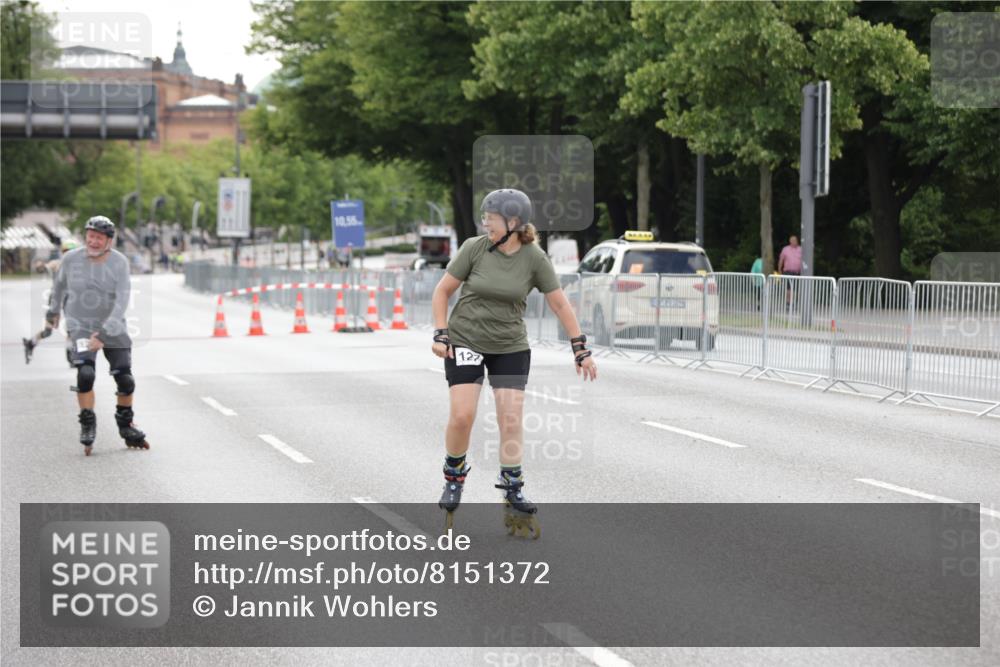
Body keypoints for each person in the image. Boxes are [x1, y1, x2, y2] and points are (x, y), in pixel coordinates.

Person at [430, 188, 598, 538]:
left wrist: (579, 347)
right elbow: (442, 291)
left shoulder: (534, 258)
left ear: (513, 222)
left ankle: (512, 485)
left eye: (490, 217)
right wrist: (441, 333)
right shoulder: (474, 248)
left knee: (510, 416)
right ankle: (454, 475)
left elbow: (560, 304)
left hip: (509, 345)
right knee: (463, 415)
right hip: (466, 340)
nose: (484, 223)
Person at [45, 216, 149, 455]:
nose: (92, 241)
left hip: (113, 327)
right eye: (90, 236)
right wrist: (52, 311)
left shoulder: (120, 262)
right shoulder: (71, 259)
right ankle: (87, 423)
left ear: (109, 241)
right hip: (80, 325)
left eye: (98, 238)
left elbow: (122, 300)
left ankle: (126, 426)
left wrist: (104, 333)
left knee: (125, 379)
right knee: (85, 374)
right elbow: (59, 287)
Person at [22, 238, 78, 365]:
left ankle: (71, 356)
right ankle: (31, 343)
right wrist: (40, 267)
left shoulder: (80, 265)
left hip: (72, 298)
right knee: (48, 331)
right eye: (66, 251)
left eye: (71, 252)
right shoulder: (57, 263)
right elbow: (44, 269)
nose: (68, 254)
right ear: (62, 252)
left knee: (72, 328)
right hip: (56, 298)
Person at [777, 234, 802, 306]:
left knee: (797, 288)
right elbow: (781, 260)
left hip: (798, 272)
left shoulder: (801, 249)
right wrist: (779, 270)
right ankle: (788, 303)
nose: (795, 241)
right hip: (788, 271)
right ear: (790, 241)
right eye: (793, 240)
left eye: (796, 240)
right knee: (788, 288)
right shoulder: (785, 249)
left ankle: (796, 303)